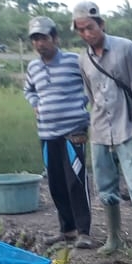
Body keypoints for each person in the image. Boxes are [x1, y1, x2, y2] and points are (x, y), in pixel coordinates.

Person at [73, 0, 132, 257]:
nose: (87, 33)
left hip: (126, 127)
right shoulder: (83, 59)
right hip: (99, 129)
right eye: (81, 29)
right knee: (105, 184)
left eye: (91, 27)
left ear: (101, 24)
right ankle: (114, 238)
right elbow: (90, 94)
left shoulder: (125, 48)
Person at [23, 16, 94, 249]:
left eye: (43, 38)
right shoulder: (33, 66)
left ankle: (84, 232)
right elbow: (29, 90)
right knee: (55, 182)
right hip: (46, 132)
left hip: (73, 130)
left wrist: (81, 105)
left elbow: (91, 85)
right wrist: (36, 104)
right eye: (35, 39)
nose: (39, 44)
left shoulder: (75, 61)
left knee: (76, 181)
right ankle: (68, 230)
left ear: (55, 38)